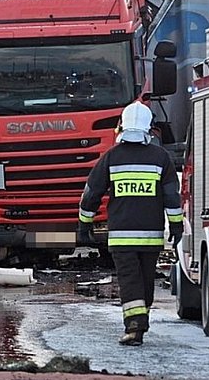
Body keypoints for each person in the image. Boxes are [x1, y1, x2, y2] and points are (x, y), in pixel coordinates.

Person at [78, 101, 183, 346]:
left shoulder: (111, 157)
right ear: (149, 127)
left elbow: (91, 193)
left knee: (130, 281)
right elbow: (171, 196)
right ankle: (139, 322)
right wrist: (176, 226)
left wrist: (84, 224)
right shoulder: (161, 158)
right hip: (151, 236)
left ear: (122, 126)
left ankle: (135, 326)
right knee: (145, 281)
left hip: (121, 237)